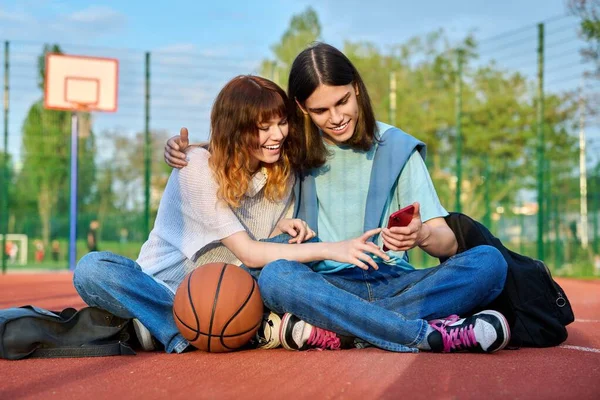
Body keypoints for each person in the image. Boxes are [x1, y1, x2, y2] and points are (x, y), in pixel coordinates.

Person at [164, 43, 510, 354]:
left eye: (342, 101)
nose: (336, 117)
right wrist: (190, 149)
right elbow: (241, 145)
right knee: (275, 277)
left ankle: (340, 328)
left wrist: (420, 236)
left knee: (488, 263)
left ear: (356, 88)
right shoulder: (289, 147)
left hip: (394, 281)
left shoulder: (398, 147)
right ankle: (421, 332)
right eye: (320, 111)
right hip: (319, 284)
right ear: (301, 108)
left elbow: (447, 243)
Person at [74, 75, 388, 354]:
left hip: (229, 294)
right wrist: (336, 248)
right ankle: (188, 331)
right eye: (263, 128)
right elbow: (249, 253)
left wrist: (284, 225)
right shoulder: (197, 167)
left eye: (281, 122)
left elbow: (259, 246)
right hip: (163, 288)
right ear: (235, 130)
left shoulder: (283, 172)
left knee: (293, 250)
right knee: (91, 269)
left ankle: (171, 327)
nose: (277, 135)